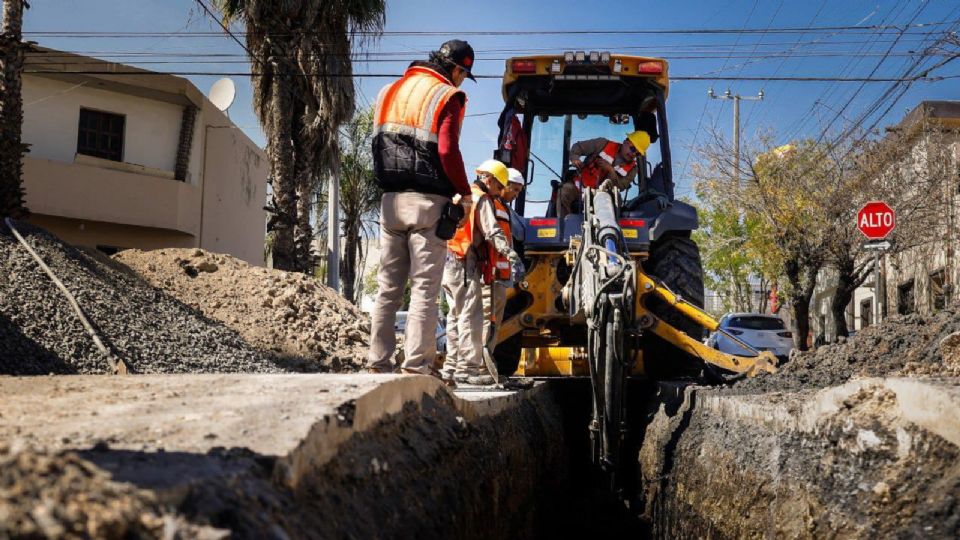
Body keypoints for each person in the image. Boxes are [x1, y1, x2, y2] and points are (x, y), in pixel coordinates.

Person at [366, 39, 477, 377]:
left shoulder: (389, 91)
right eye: (463, 74)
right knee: (424, 290)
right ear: (458, 69)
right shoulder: (446, 95)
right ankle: (417, 367)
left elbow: (377, 146)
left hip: (390, 202)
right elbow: (447, 150)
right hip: (428, 204)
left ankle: (379, 362)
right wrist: (464, 191)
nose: (461, 81)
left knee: (388, 288)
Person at [443, 160, 522, 386]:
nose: (500, 192)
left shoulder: (463, 195)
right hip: (464, 262)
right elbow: (492, 231)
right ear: (489, 179)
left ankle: (451, 367)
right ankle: (468, 370)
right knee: (471, 315)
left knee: (456, 315)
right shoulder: (484, 199)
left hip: (448, 260)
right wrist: (509, 252)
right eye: (499, 186)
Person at [558, 131, 651, 217]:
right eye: (633, 149)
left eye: (637, 154)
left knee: (617, 200)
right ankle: (564, 225)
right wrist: (574, 158)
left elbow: (621, 186)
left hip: (604, 198)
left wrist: (610, 170)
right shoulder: (602, 144)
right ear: (625, 142)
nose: (633, 154)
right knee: (564, 191)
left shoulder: (633, 169)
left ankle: (611, 231)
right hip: (579, 187)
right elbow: (578, 147)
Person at [482, 168, 525, 352]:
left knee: (494, 321)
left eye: (519, 192)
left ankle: (485, 362)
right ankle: (480, 365)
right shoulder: (491, 204)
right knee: (486, 319)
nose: (515, 195)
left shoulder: (504, 208)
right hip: (490, 274)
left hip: (499, 276)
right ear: (503, 184)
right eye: (514, 190)